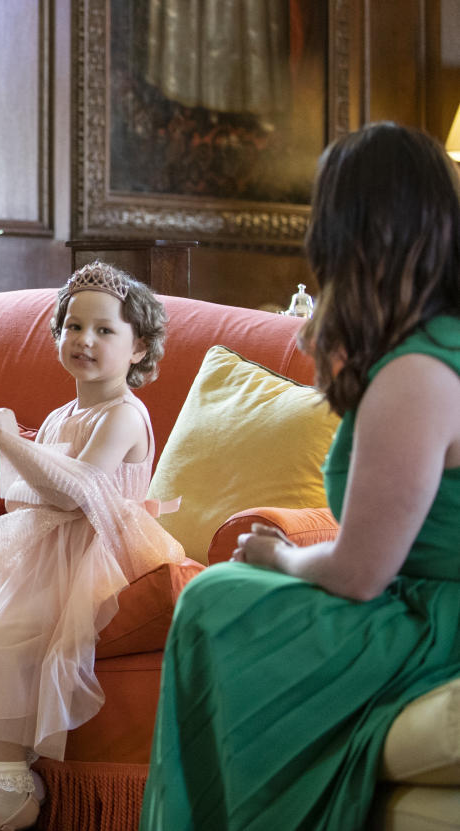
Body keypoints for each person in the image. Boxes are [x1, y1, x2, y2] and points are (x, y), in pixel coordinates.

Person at [140, 122, 460, 830]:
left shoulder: (418, 374)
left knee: (214, 600)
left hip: (432, 621)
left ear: (352, 231)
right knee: (223, 594)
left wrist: (279, 555)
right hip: (417, 600)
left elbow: (360, 573)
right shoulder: (425, 348)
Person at [0, 262, 184, 831]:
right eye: (73, 327)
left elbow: (78, 493)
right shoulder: (61, 415)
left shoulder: (126, 414)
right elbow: (26, 496)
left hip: (101, 553)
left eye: (105, 331)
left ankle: (9, 798)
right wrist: (18, 446)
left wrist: (7, 436)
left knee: (7, 635)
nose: (85, 340)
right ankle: (10, 781)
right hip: (49, 550)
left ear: (138, 349)